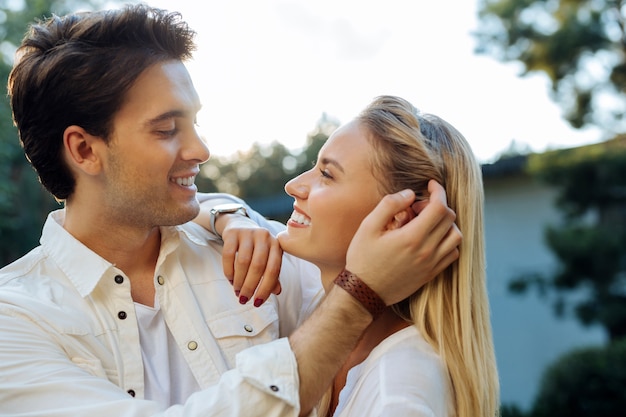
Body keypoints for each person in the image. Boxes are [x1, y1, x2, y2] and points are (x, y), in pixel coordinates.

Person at [0, 5, 461, 417]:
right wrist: (358, 294)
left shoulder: (255, 250)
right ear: (84, 150)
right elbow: (356, 289)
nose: (200, 150)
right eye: (166, 129)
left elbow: (391, 327)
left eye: (194, 122)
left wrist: (224, 213)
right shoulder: (15, 318)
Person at [207, 96, 500, 416]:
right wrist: (230, 218)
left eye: (327, 175)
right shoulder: (308, 290)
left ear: (398, 219)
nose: (293, 185)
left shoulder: (399, 394)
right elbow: (191, 204)